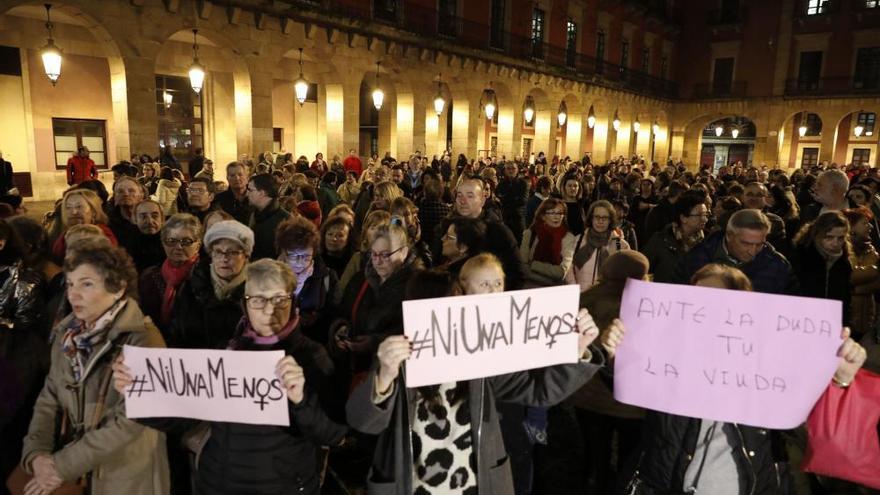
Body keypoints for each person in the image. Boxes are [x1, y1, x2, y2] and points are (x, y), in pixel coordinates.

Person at [603, 263, 867, 495]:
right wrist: (618, 359)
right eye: (695, 302)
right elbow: (635, 393)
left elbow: (815, 431)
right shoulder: (667, 358)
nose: (702, 312)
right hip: (663, 484)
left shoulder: (768, 366)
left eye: (715, 303)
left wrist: (841, 379)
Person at [345, 258, 603, 495]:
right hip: (413, 486)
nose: (452, 315)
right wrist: (384, 377)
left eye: (458, 304)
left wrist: (577, 351)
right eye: (443, 308)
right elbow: (362, 422)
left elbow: (539, 391)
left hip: (473, 484)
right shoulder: (398, 359)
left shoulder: (482, 357)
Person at [113, 259, 346, 494]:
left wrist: (301, 400)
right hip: (217, 483)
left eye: (279, 299)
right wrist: (138, 392)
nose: (269, 310)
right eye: (258, 300)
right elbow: (184, 418)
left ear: (293, 302)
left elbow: (332, 434)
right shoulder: (224, 353)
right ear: (245, 305)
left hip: (281, 485)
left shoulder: (311, 356)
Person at [20, 242, 169, 495]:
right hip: (76, 475)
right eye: (70, 284)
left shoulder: (144, 340)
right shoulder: (67, 333)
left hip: (125, 478)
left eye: (86, 284)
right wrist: (37, 454)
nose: (73, 294)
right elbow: (50, 396)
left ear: (118, 288)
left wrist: (61, 467)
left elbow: (130, 423)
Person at [567, 250, 649, 494]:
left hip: (588, 397)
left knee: (593, 454)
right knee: (628, 457)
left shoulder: (586, 300)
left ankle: (591, 484)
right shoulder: (648, 308)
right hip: (632, 404)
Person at [167, 220, 251, 349]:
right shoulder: (190, 287)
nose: (224, 258)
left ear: (246, 256)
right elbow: (175, 334)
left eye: (233, 252)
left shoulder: (257, 290)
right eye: (218, 251)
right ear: (211, 254)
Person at [679, 209, 799, 295]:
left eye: (759, 244)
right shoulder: (696, 257)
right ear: (729, 236)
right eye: (746, 243)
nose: (752, 252)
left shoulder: (779, 266)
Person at [446, 178, 527, 290]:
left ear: (482, 200)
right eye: (459, 195)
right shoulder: (447, 226)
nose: (462, 201)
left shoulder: (498, 232)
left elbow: (518, 274)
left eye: (470, 196)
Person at [276, 216, 338, 345]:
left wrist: (317, 318)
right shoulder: (270, 276)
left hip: (312, 343)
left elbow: (333, 313)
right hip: (278, 344)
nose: (299, 262)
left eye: (305, 256)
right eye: (293, 256)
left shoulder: (326, 277)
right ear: (283, 252)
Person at [137, 213, 201, 333]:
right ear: (163, 243)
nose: (178, 247)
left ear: (198, 245)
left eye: (186, 241)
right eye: (171, 241)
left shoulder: (205, 277)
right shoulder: (149, 277)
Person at [790, 211, 853, 326]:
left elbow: (845, 298)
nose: (835, 243)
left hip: (832, 323)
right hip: (802, 321)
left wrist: (844, 324)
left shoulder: (844, 261)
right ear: (817, 234)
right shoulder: (800, 256)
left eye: (840, 238)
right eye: (829, 237)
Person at [565, 200, 629, 292]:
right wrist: (574, 289)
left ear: (610, 220)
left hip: (607, 300)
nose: (600, 221)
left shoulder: (620, 245)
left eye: (605, 218)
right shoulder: (578, 240)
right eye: (597, 217)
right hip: (581, 296)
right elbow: (568, 267)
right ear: (591, 218)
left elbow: (625, 274)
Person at [643, 193, 708, 283]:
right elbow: (644, 270)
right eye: (700, 215)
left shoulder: (707, 242)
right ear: (683, 218)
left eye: (705, 214)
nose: (705, 219)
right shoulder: (661, 240)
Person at [520, 198, 576, 287]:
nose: (556, 216)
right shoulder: (530, 234)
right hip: (531, 286)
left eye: (560, 213)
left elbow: (561, 272)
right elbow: (523, 266)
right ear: (543, 216)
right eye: (552, 212)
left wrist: (533, 264)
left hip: (554, 289)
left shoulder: (568, 238)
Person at [51, 189, 118, 260]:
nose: (74, 212)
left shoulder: (103, 234)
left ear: (94, 211)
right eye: (68, 208)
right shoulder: (65, 232)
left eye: (79, 207)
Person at [246, 173, 291, 260]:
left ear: (262, 193)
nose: (247, 193)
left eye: (250, 190)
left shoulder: (285, 220)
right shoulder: (253, 214)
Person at [106, 176, 145, 251]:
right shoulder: (107, 222)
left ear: (141, 195)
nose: (126, 194)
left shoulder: (150, 218)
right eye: (120, 191)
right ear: (115, 197)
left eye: (131, 191)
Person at [128, 199, 167, 271]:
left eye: (155, 216)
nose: (149, 221)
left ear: (162, 219)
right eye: (143, 217)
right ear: (135, 220)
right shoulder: (127, 245)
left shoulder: (171, 243)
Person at [496, 162, 530, 242]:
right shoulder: (501, 184)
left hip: (518, 219)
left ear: (517, 170)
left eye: (513, 168)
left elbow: (522, 201)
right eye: (508, 168)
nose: (511, 171)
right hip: (505, 218)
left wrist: (504, 199)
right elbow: (498, 198)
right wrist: (514, 198)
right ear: (505, 171)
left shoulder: (523, 184)